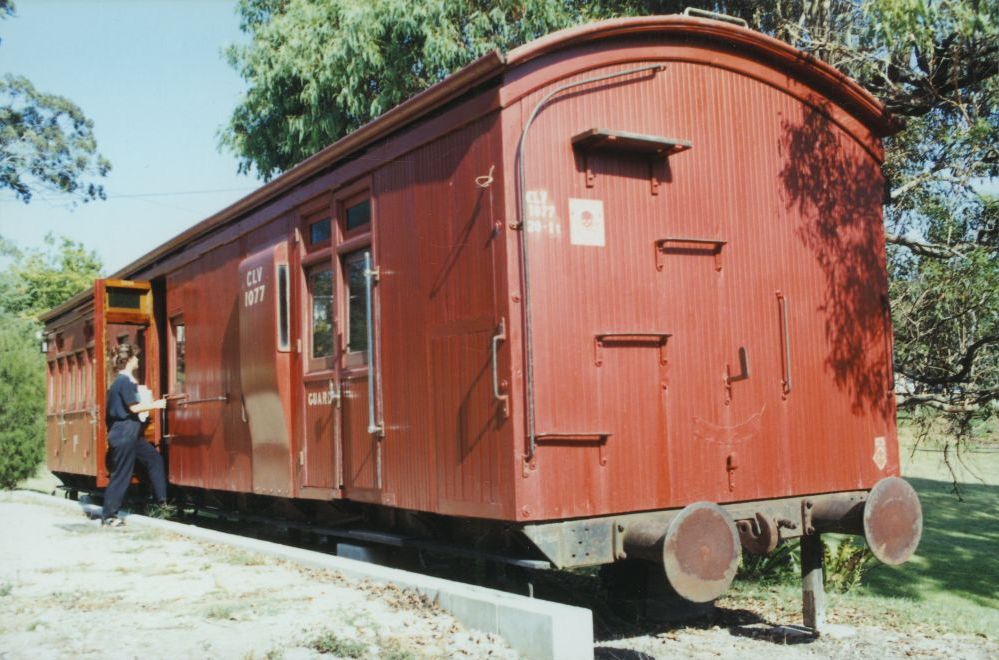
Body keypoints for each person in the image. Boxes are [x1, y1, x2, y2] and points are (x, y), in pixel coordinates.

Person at [101, 343, 168, 527]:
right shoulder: (125, 382)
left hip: (130, 434)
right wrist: (156, 405)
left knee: (153, 459)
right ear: (130, 360)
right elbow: (133, 407)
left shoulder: (120, 382)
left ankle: (162, 503)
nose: (138, 360)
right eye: (136, 357)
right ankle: (109, 516)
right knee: (122, 474)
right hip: (125, 434)